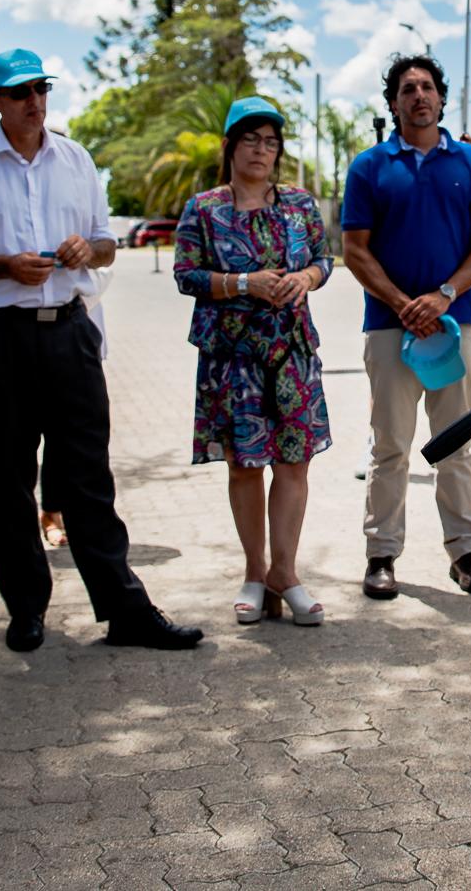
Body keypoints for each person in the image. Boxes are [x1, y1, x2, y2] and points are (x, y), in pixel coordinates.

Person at [0, 49, 201, 653]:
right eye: (19, 92)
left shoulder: (75, 159)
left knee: (87, 474)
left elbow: (106, 246)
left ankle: (125, 609)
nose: (34, 101)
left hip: (68, 331)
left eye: (41, 89)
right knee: (6, 478)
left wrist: (86, 250)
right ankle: (26, 609)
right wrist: (2, 266)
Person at [340, 54, 471, 599]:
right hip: (390, 330)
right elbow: (354, 251)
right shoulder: (369, 167)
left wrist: (444, 296)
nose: (418, 96)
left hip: (455, 328)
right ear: (393, 103)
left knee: (456, 445)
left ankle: (466, 554)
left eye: (427, 87)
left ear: (441, 98)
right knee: (390, 447)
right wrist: (404, 302)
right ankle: (381, 555)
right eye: (407, 88)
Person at [174, 96, 334, 625]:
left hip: (291, 351)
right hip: (233, 356)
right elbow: (187, 276)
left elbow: (323, 259)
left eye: (270, 142)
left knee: (293, 462)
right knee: (245, 465)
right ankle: (253, 570)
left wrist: (304, 279)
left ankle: (284, 573)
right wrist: (244, 282)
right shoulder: (204, 208)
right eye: (251, 140)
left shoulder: (299, 205)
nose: (261, 150)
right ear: (230, 147)